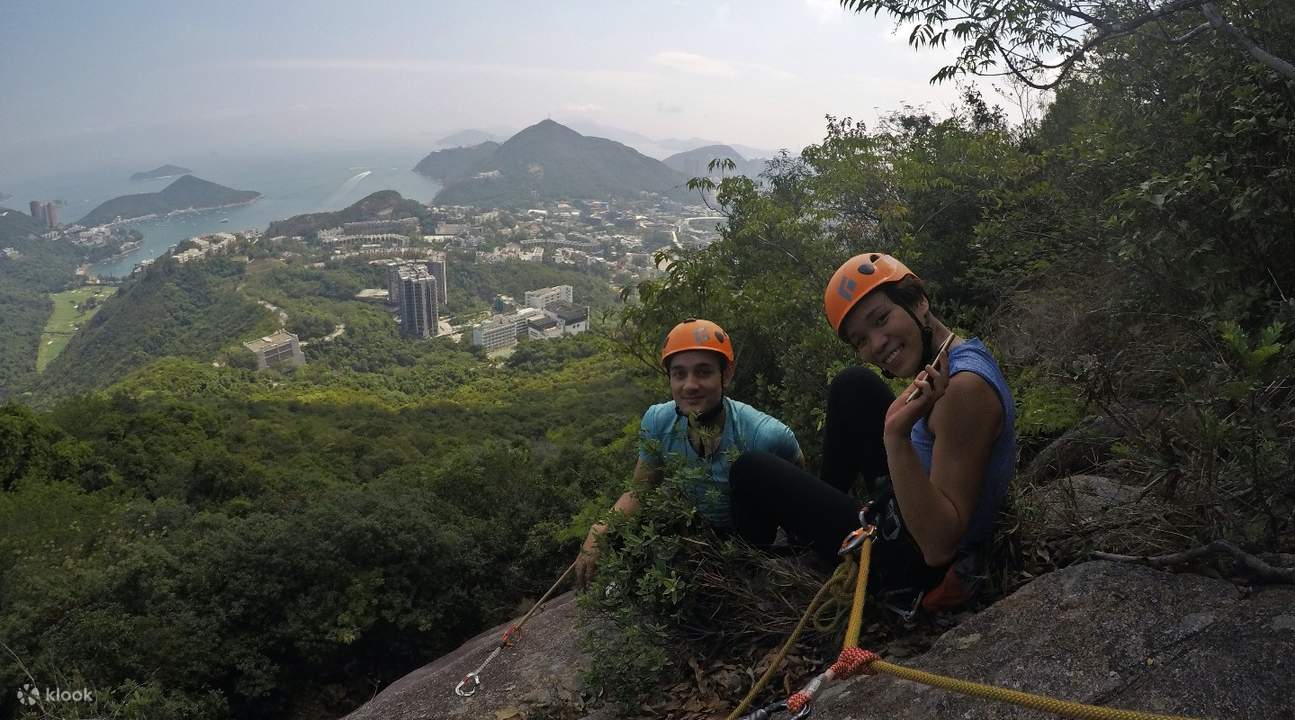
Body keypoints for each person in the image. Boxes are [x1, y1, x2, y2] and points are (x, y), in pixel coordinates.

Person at [728, 252, 1016, 613]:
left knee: (750, 470)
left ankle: (756, 569)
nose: (876, 344)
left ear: (917, 300)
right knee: (854, 385)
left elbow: (939, 547)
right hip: (907, 511)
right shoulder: (958, 355)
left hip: (914, 560)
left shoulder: (964, 389)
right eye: (861, 340)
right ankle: (816, 527)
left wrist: (895, 437)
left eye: (881, 320)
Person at [574, 318, 805, 588]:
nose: (690, 385)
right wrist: (600, 529)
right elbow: (641, 490)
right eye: (679, 374)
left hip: (753, 540)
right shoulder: (658, 422)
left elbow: (798, 481)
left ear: (726, 375)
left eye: (703, 372)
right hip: (702, 536)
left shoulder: (764, 435)